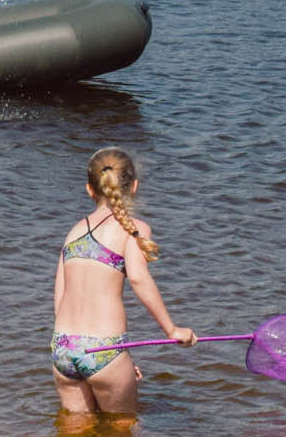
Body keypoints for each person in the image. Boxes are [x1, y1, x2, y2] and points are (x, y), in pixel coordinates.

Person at [51, 147, 195, 416]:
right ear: (134, 186)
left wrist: (117, 360)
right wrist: (172, 330)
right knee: (121, 433)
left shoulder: (73, 232)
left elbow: (60, 297)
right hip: (105, 348)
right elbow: (139, 279)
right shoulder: (131, 229)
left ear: (89, 189)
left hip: (64, 348)